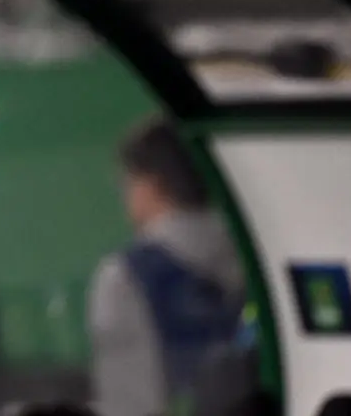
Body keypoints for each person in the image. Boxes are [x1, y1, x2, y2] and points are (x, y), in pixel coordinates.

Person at [87, 116, 246, 416]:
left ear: (150, 184)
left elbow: (129, 399)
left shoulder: (125, 277)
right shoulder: (250, 258)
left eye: (127, 182)